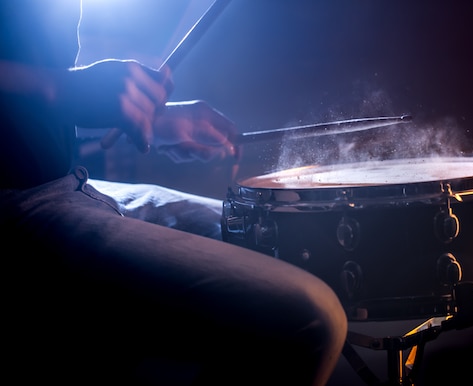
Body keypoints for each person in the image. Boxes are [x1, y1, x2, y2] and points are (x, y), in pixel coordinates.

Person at [0, 1, 347, 385]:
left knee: (292, 246)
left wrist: (147, 116)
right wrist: (63, 88)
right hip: (17, 196)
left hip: (69, 181)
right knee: (307, 317)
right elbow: (51, 86)